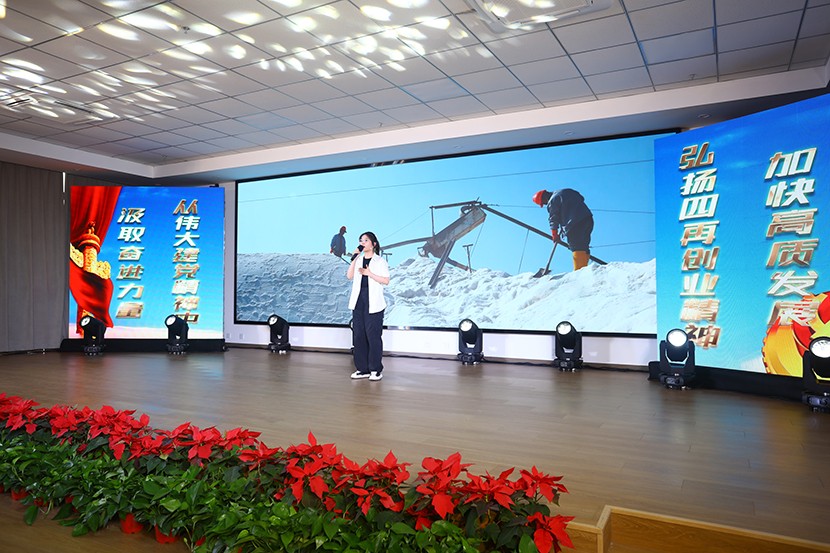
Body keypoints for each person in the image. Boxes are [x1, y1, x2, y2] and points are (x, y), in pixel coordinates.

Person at [347, 231, 390, 381]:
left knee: (373, 336)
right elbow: (349, 276)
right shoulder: (358, 259)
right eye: (361, 240)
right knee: (359, 335)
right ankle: (362, 369)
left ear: (373, 244)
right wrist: (354, 258)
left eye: (366, 240)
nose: (362, 243)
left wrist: (369, 273)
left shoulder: (380, 261)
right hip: (359, 300)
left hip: (374, 302)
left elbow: (386, 280)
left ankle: (375, 369)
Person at [532, 188, 594, 271]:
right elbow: (581, 198)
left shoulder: (553, 200)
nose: (545, 204)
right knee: (583, 246)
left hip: (575, 224)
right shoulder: (566, 191)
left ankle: (579, 271)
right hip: (587, 219)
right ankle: (584, 270)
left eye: (543, 203)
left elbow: (553, 219)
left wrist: (554, 234)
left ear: (544, 198)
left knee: (577, 247)